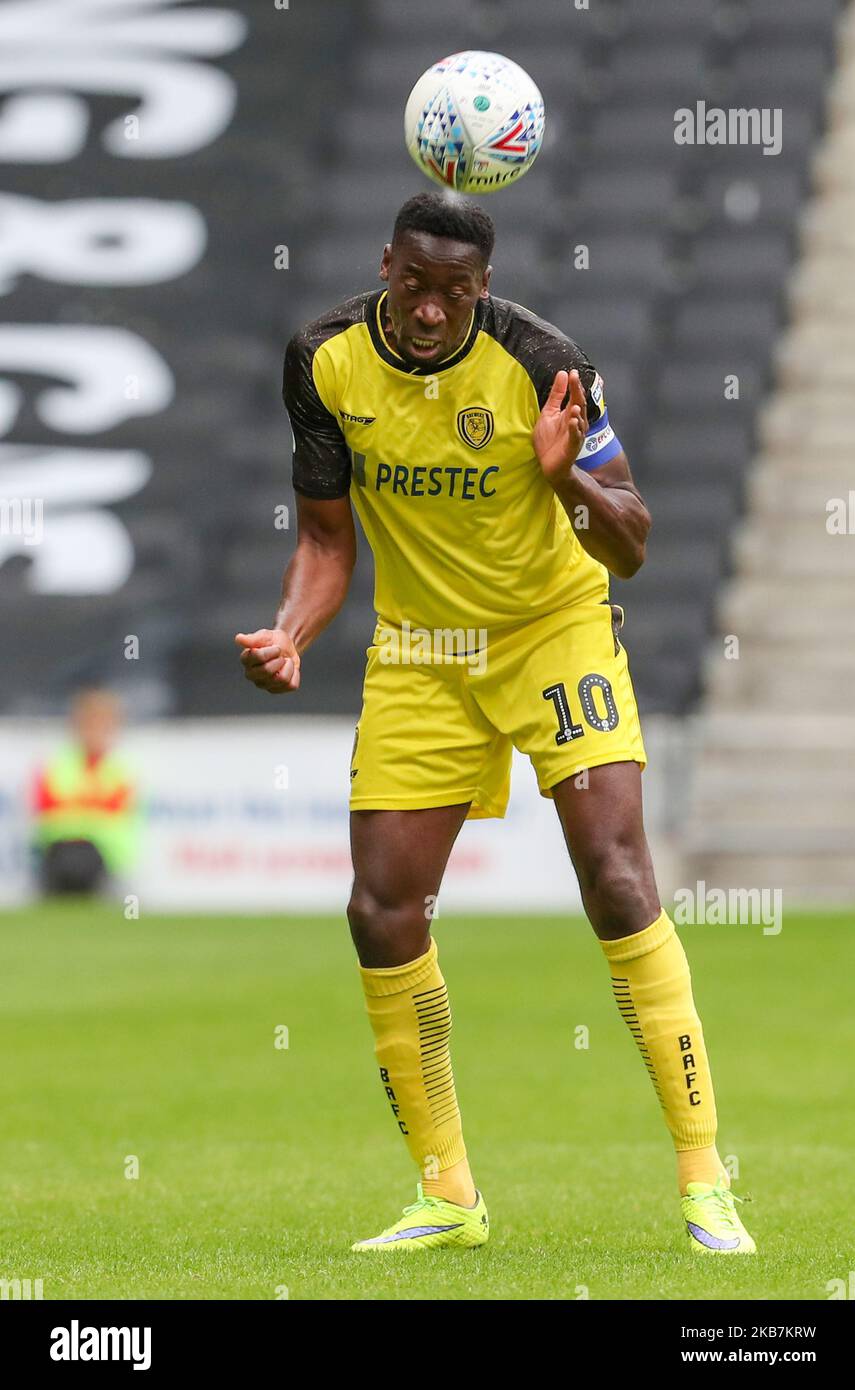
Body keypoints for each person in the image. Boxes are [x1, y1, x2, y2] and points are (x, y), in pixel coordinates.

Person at [236, 192, 755, 1255]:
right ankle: (446, 1194)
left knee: (615, 876)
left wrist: (562, 479)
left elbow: (633, 543)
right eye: (415, 287)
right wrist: (292, 629)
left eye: (456, 294)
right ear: (386, 264)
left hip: (550, 630)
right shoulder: (322, 361)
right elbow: (326, 538)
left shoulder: (543, 362)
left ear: (484, 287)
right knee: (381, 909)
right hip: (422, 651)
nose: (431, 312)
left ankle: (706, 1181)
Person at [32, 689, 139, 896]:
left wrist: (78, 811)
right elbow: (47, 811)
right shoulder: (56, 765)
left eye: (101, 724)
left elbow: (117, 813)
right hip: (58, 855)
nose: (94, 731)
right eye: (89, 724)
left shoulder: (121, 769)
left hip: (104, 860)